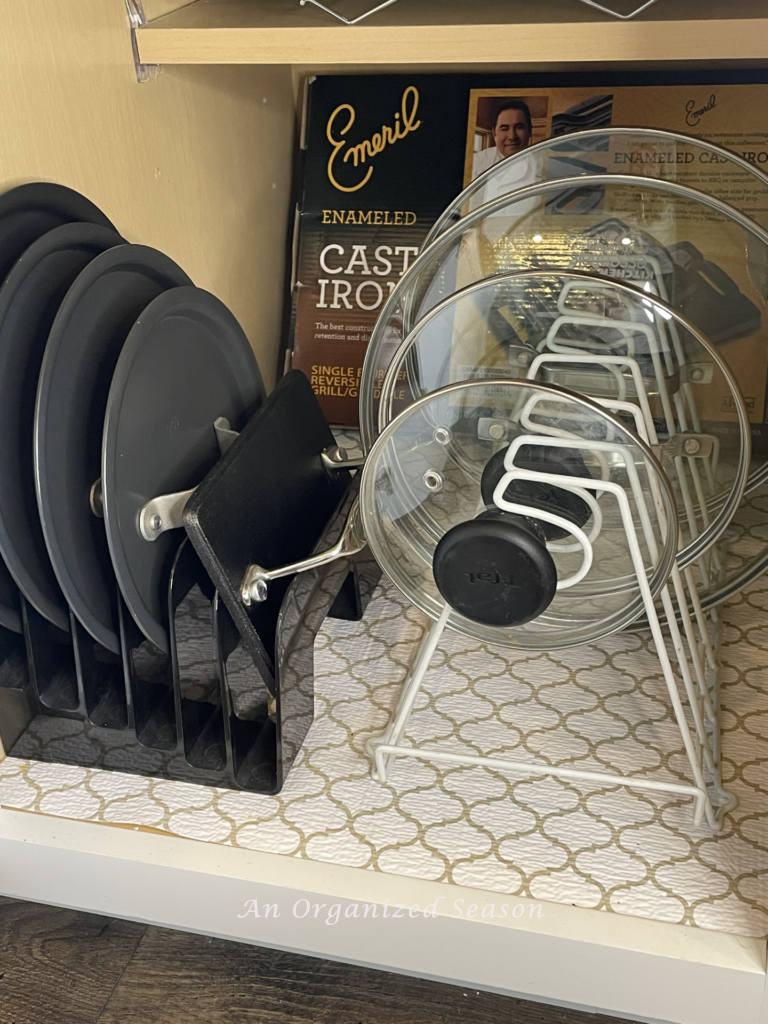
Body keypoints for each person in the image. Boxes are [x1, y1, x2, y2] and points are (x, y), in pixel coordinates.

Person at [472, 99, 533, 180]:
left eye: (519, 127)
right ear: (494, 133)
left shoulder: (545, 164)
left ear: (529, 131)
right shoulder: (475, 162)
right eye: (504, 129)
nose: (512, 137)